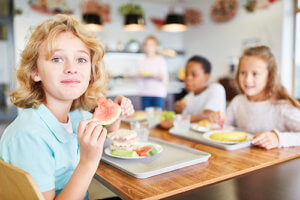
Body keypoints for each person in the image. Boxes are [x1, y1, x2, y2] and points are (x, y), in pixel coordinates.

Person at [0, 14, 134, 200]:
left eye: (81, 59)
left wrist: (116, 113)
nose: (72, 67)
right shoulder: (29, 136)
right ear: (35, 72)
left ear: (91, 72)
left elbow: (106, 130)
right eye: (57, 59)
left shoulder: (76, 115)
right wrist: (88, 162)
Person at [210, 45, 300, 149]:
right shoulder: (238, 102)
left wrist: (278, 138)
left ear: (270, 77)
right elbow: (225, 127)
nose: (247, 79)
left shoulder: (282, 106)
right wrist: (218, 120)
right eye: (243, 73)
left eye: (255, 74)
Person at [160, 55, 226, 128]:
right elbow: (188, 121)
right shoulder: (188, 97)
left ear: (206, 77)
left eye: (194, 75)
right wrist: (179, 111)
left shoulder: (216, 88)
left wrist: (178, 120)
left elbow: (208, 115)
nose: (188, 78)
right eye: (186, 74)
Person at [137, 36, 169, 110]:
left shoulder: (160, 60)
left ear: (156, 46)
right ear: (144, 46)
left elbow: (165, 79)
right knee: (145, 117)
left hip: (158, 93)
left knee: (158, 117)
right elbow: (138, 78)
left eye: (151, 45)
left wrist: (160, 77)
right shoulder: (141, 61)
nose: (149, 47)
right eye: (147, 45)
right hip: (145, 93)